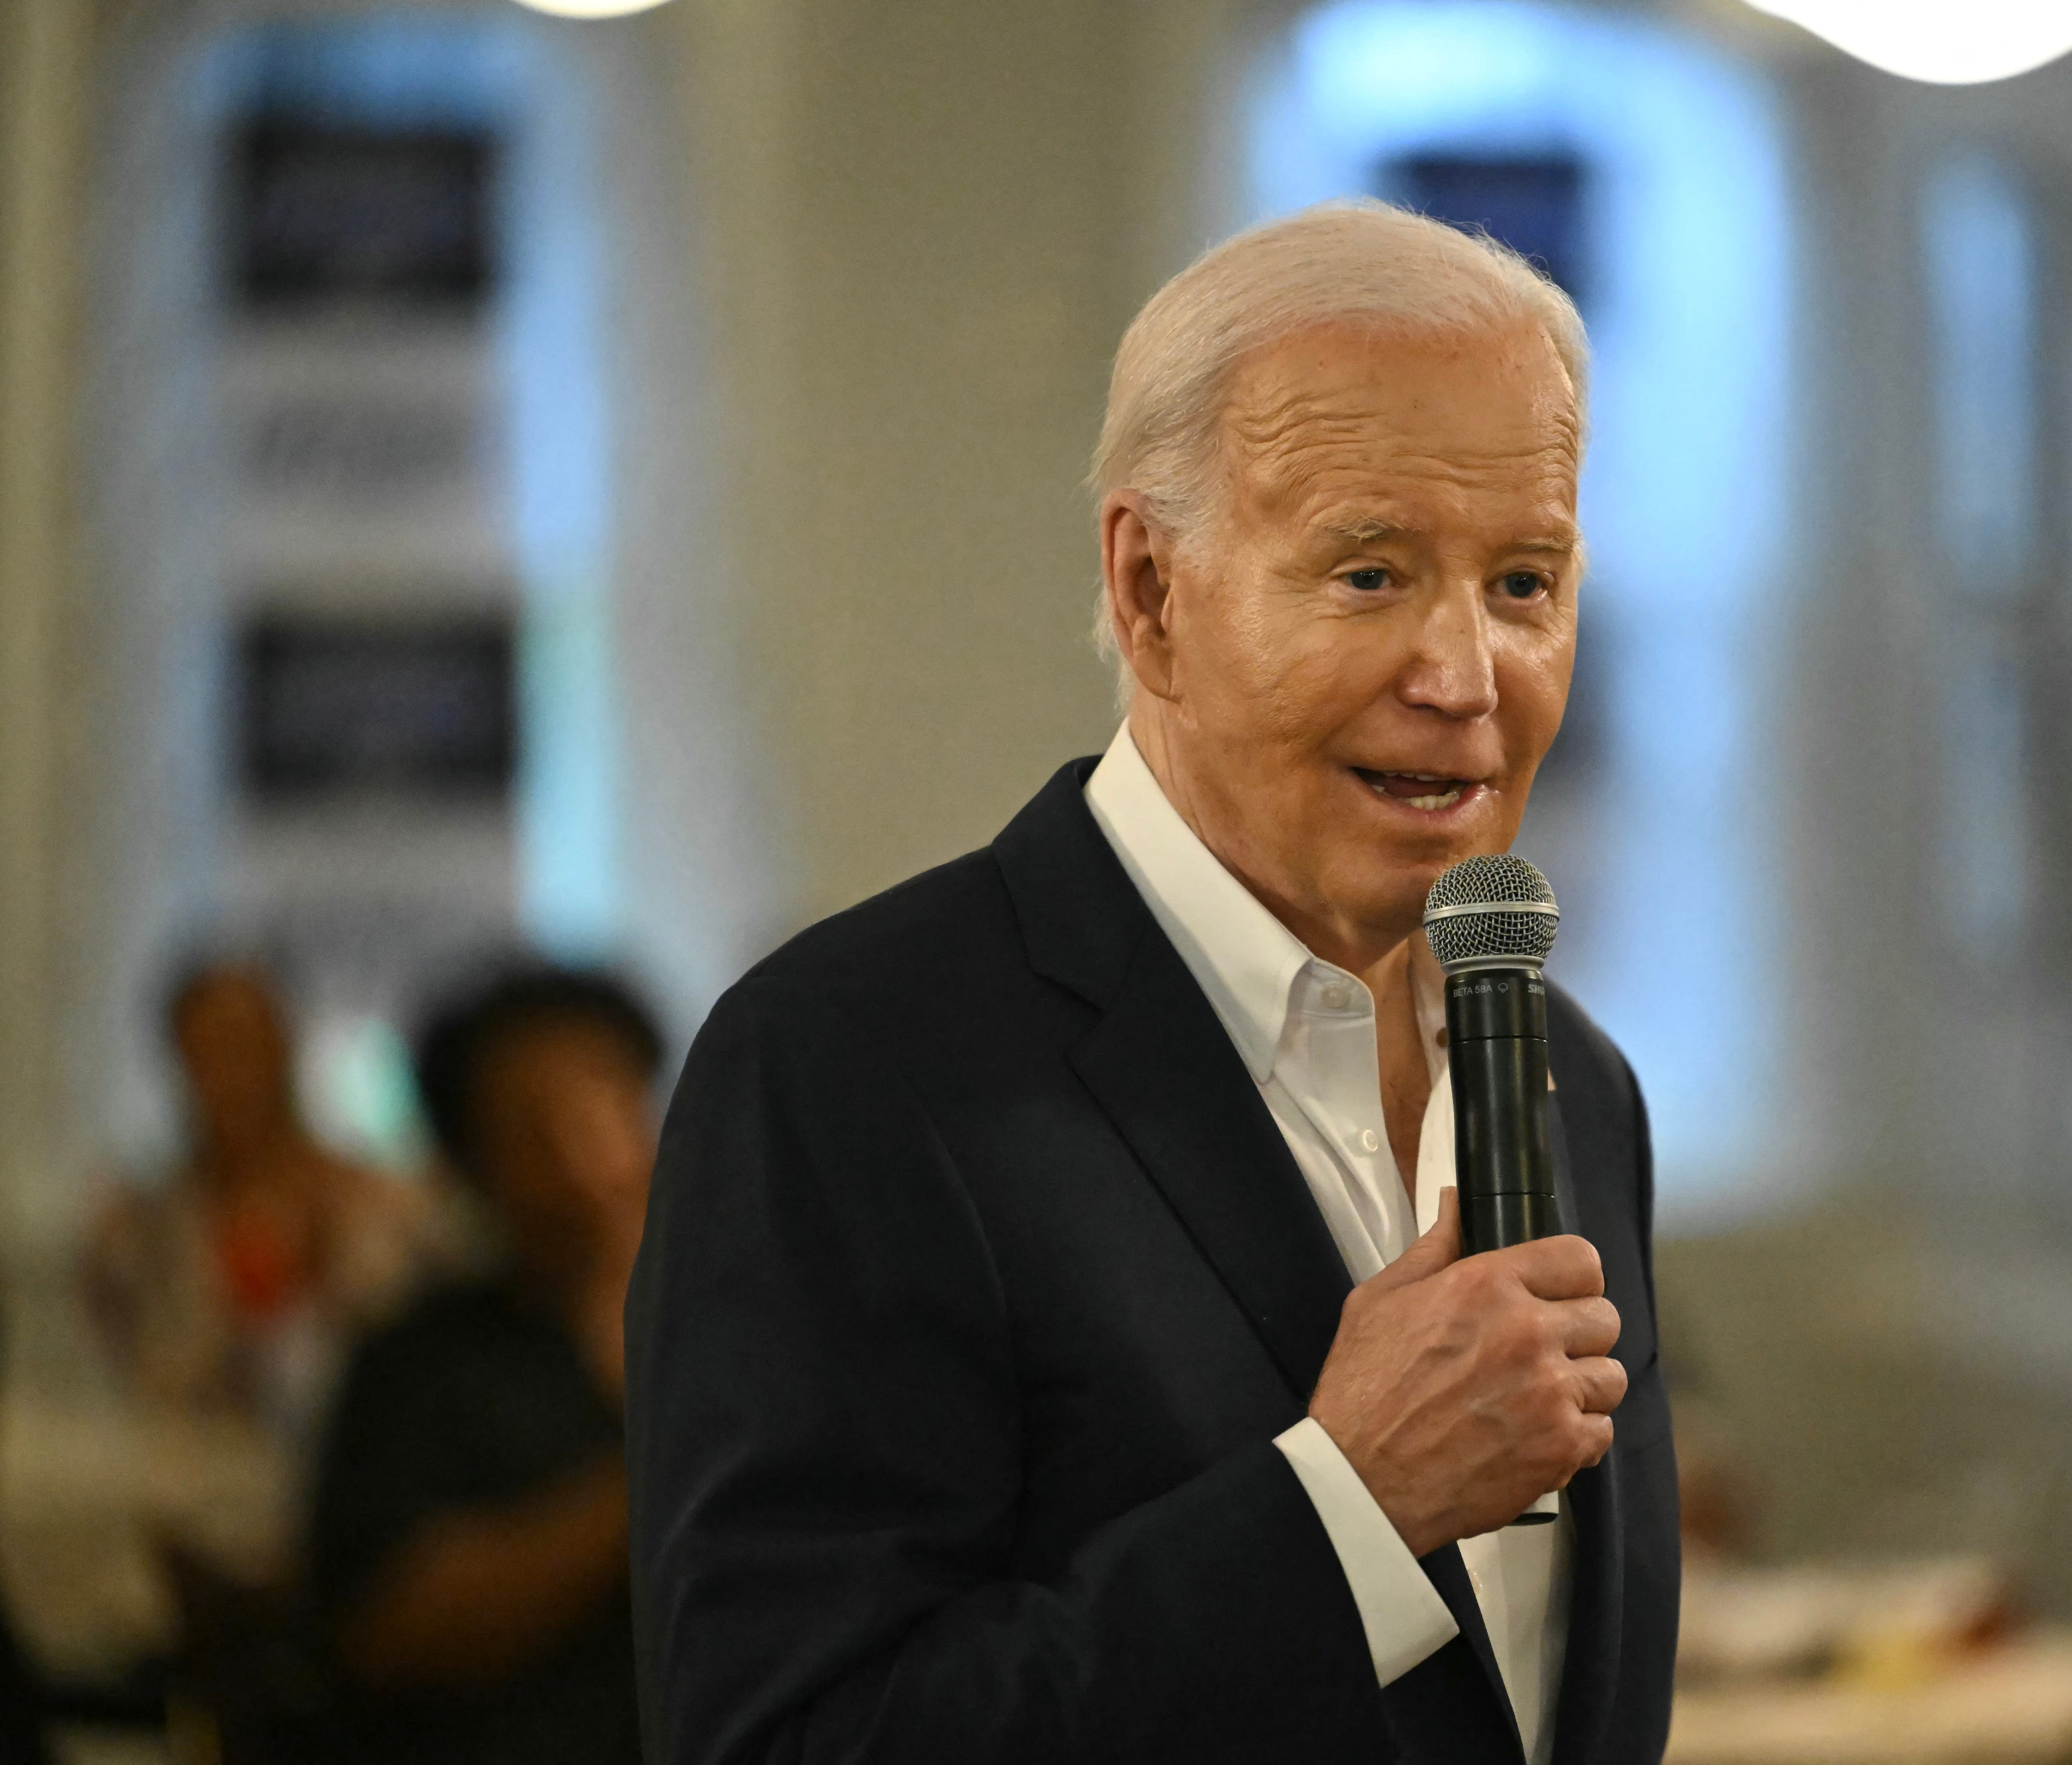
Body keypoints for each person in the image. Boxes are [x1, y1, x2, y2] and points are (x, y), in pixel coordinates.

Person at [629, 201, 1678, 1765]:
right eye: (1372, 572)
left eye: (1524, 582)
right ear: (1151, 593)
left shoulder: (1571, 1081)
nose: (1466, 677)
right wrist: (1349, 1505)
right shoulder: (848, 1066)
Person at [307, 966, 660, 1765]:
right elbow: (387, 1624)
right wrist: (650, 1479)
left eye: (607, 1105)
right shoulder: (422, 1359)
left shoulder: (753, 1323)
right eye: (536, 1129)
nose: (586, 1161)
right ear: (472, 1164)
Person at [84, 959, 435, 1438]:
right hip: (185, 1475)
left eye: (248, 1046)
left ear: (286, 1046)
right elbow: (122, 1369)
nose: (234, 1076)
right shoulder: (135, 1224)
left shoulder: (385, 1205)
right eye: (209, 1051)